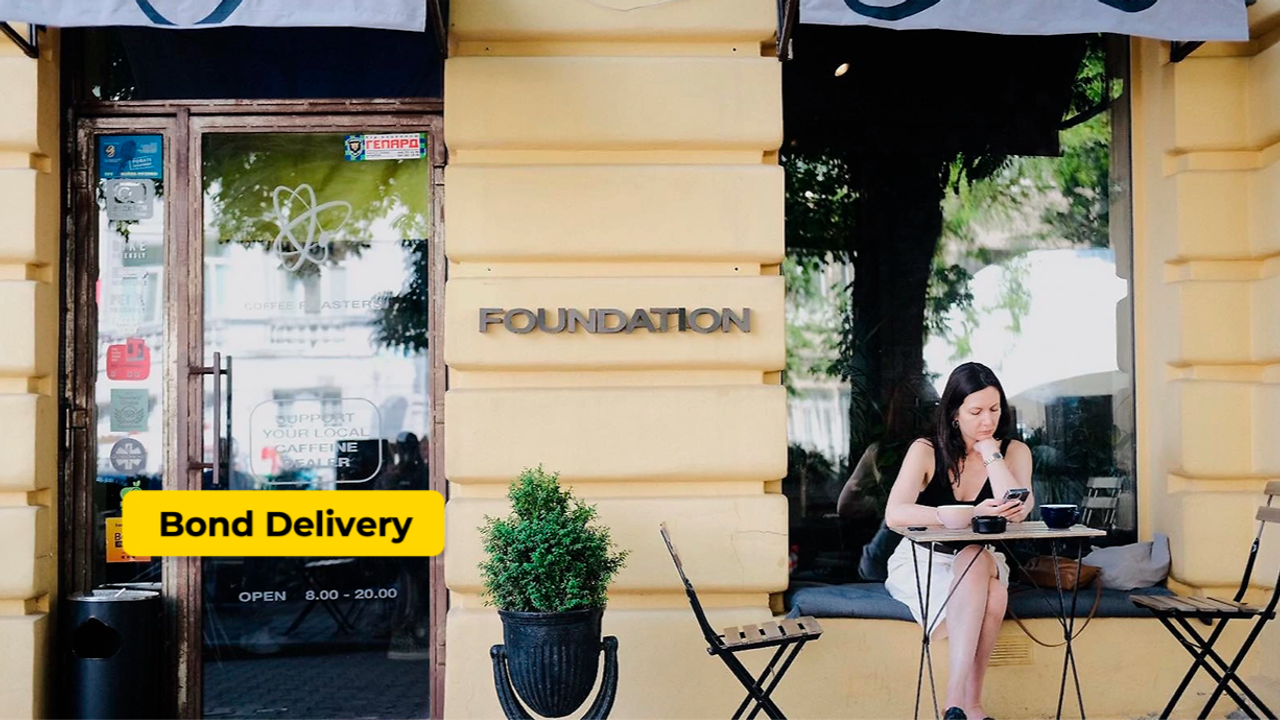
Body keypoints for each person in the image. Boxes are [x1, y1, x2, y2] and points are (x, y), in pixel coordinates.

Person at [883, 362, 1034, 720]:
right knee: (994, 594)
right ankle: (972, 706)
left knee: (975, 554)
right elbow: (895, 514)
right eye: (976, 412)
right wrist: (961, 514)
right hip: (924, 561)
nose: (987, 421)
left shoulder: (1014, 452)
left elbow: (1017, 509)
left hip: (984, 559)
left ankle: (953, 703)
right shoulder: (926, 450)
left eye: (994, 409)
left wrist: (990, 453)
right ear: (954, 413)